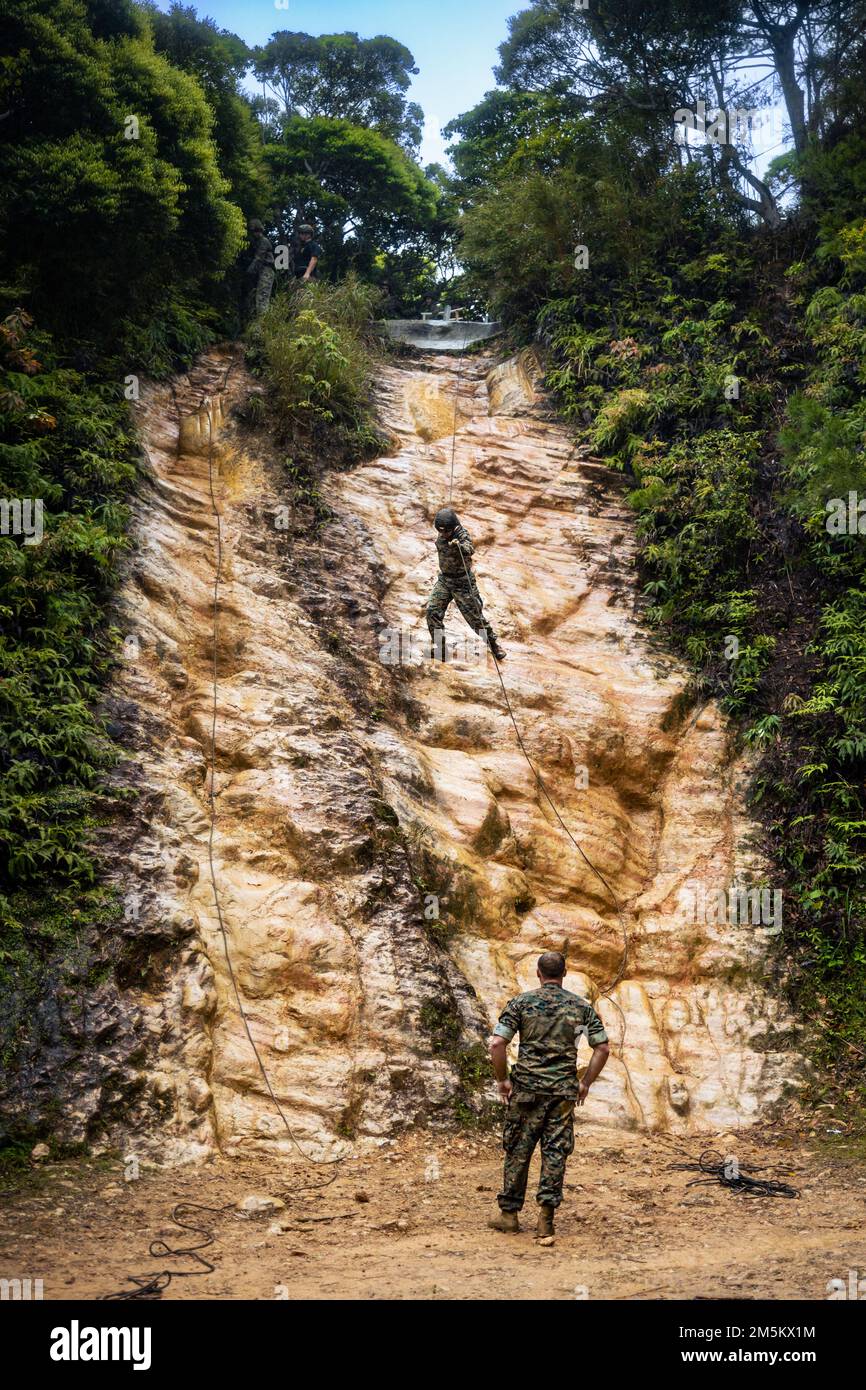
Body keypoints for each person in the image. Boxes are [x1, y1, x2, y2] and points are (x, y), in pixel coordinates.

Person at [488, 951, 610, 1237]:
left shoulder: (521, 1003)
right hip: (562, 1094)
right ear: (564, 974)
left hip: (527, 1090)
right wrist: (585, 1083)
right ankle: (546, 1219)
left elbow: (497, 1044)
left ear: (539, 974)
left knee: (518, 1149)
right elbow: (602, 1048)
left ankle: (509, 1215)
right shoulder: (580, 1008)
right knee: (555, 1152)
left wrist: (503, 1080)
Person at [425, 507, 506, 661]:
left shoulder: (461, 534)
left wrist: (459, 546)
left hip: (462, 583)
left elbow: (469, 548)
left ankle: (494, 644)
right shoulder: (443, 530)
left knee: (475, 619)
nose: (443, 534)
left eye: (446, 531)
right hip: (444, 581)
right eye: (441, 531)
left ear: (454, 527)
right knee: (432, 612)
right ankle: (441, 650)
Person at [245, 219, 275, 319]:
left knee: (262, 296)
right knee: (256, 296)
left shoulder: (264, 241)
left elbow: (258, 258)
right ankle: (258, 320)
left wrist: (249, 271)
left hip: (266, 270)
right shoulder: (257, 242)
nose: (254, 234)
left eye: (255, 231)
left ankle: (263, 321)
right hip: (260, 271)